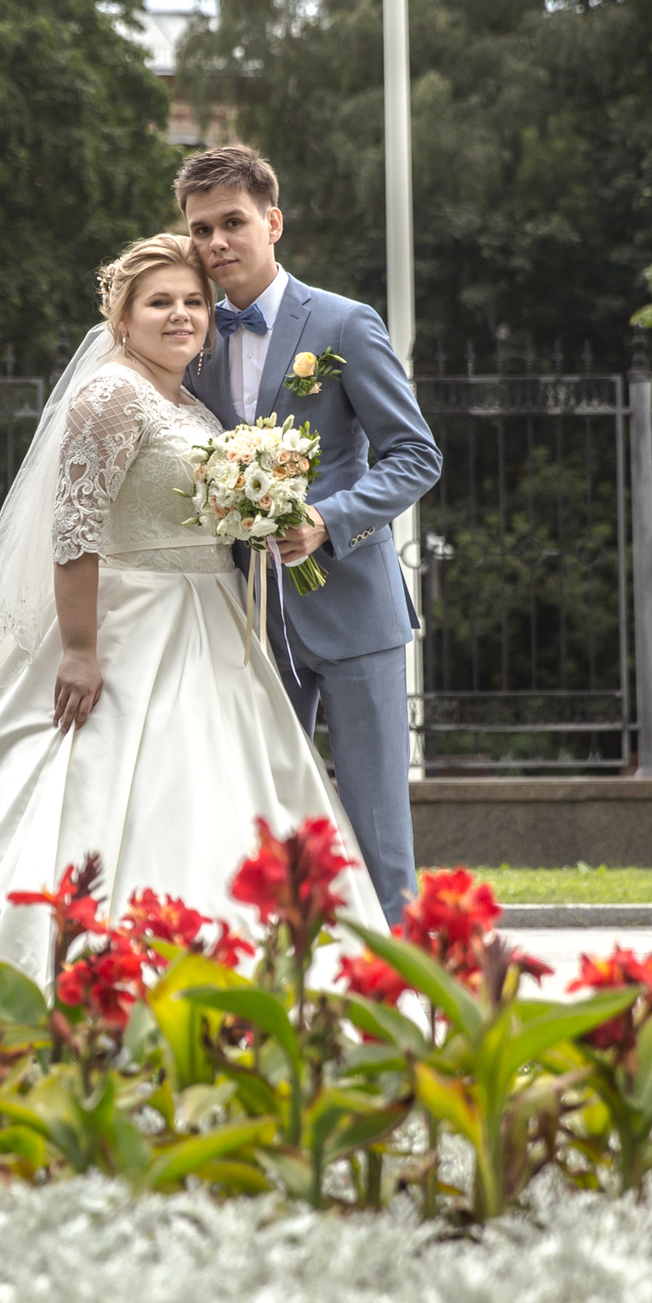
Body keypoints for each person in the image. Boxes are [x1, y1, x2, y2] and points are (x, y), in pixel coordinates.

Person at [0, 233, 385, 995]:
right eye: (161, 303)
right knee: (90, 787)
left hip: (208, 619)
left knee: (217, 785)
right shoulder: (111, 394)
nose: (182, 315)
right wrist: (81, 649)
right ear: (122, 317)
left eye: (194, 301)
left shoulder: (185, 398)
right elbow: (75, 528)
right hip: (132, 623)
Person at [178, 145, 442, 916]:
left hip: (357, 611)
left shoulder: (341, 322)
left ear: (273, 221)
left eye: (232, 223)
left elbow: (414, 455)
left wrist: (329, 520)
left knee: (376, 828)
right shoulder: (191, 338)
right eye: (201, 229)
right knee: (267, 826)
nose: (216, 243)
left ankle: (399, 998)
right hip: (249, 623)